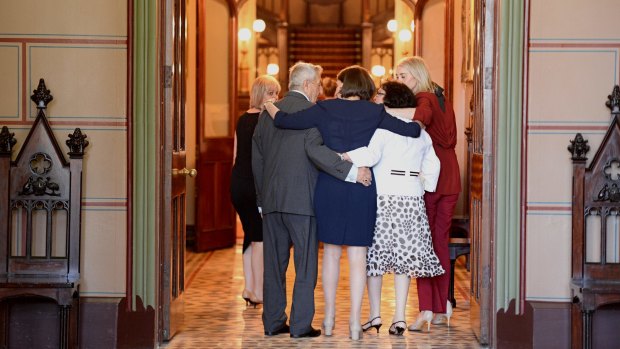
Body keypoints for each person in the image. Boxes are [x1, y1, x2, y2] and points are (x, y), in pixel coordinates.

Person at [263, 65, 423, 340]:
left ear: (347, 84)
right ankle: (353, 326)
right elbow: (412, 131)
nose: (334, 85)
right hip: (362, 188)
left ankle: (327, 320)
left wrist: (269, 106)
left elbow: (285, 121)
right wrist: (416, 121)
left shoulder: (325, 109)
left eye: (338, 82)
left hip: (330, 186)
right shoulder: (375, 112)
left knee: (332, 255)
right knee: (358, 257)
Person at [252, 62, 372, 339]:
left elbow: (256, 158)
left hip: (271, 201)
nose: (321, 90)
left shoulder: (266, 114)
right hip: (302, 201)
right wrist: (352, 172)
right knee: (305, 264)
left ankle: (272, 322)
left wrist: (261, 199)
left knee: (274, 265)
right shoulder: (315, 112)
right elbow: (315, 150)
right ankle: (300, 325)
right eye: (318, 85)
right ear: (307, 85)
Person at [343, 81, 445, 336]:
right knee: (404, 261)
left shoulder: (383, 129)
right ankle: (399, 317)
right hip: (411, 200)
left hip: (384, 199)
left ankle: (375, 314)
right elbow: (433, 165)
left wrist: (344, 155)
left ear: (390, 102)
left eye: (381, 95)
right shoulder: (421, 132)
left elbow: (369, 155)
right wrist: (423, 186)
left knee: (375, 259)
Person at [394, 56, 461, 331]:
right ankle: (442, 306)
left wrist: (383, 110)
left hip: (431, 179)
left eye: (403, 76)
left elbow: (419, 122)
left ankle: (425, 310)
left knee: (424, 244)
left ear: (417, 76)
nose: (399, 81)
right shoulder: (442, 98)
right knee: (439, 243)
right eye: (397, 76)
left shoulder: (423, 98)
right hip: (451, 177)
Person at [231, 75, 280, 308]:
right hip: (254, 186)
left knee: (250, 235)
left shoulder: (241, 120)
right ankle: (259, 290)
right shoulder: (266, 120)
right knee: (260, 238)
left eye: (277, 93)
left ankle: (248, 287)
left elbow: (235, 155)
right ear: (262, 94)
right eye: (272, 93)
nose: (276, 98)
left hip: (238, 185)